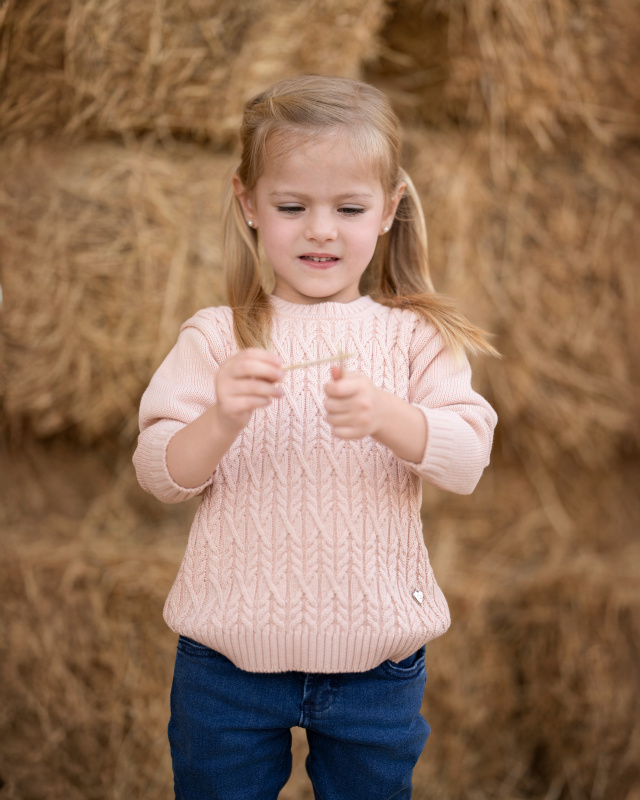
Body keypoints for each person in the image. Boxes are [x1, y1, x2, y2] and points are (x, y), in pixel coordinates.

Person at [133, 74, 498, 800]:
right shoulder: (219, 335)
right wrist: (221, 420)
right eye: (292, 206)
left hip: (376, 668)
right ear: (249, 204)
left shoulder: (414, 338)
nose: (321, 230)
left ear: (390, 210)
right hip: (226, 663)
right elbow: (158, 470)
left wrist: (391, 417)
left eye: (349, 208)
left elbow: (467, 459)